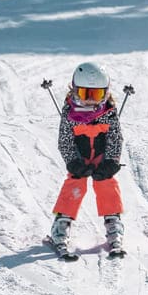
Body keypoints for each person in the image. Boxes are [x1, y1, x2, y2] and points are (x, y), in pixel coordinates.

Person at [48, 61, 125, 253]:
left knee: (106, 183)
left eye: (96, 94)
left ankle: (113, 222)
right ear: (74, 90)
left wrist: (111, 162)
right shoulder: (69, 115)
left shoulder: (109, 114)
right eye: (85, 94)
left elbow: (115, 139)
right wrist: (73, 162)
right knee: (75, 183)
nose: (90, 100)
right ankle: (61, 225)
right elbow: (65, 141)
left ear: (105, 93)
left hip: (101, 158)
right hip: (80, 160)